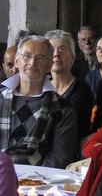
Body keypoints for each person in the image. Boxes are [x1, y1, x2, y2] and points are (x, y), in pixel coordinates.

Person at [0, 35, 78, 167]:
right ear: (17, 61)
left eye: (40, 58)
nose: (32, 63)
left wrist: (31, 182)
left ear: (49, 65)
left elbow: (59, 160)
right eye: (27, 56)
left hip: (39, 182)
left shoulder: (63, 110)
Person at [44, 29, 95, 141]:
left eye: (62, 49)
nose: (56, 54)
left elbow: (75, 132)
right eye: (52, 50)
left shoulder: (82, 90)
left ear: (72, 56)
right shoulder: (41, 88)